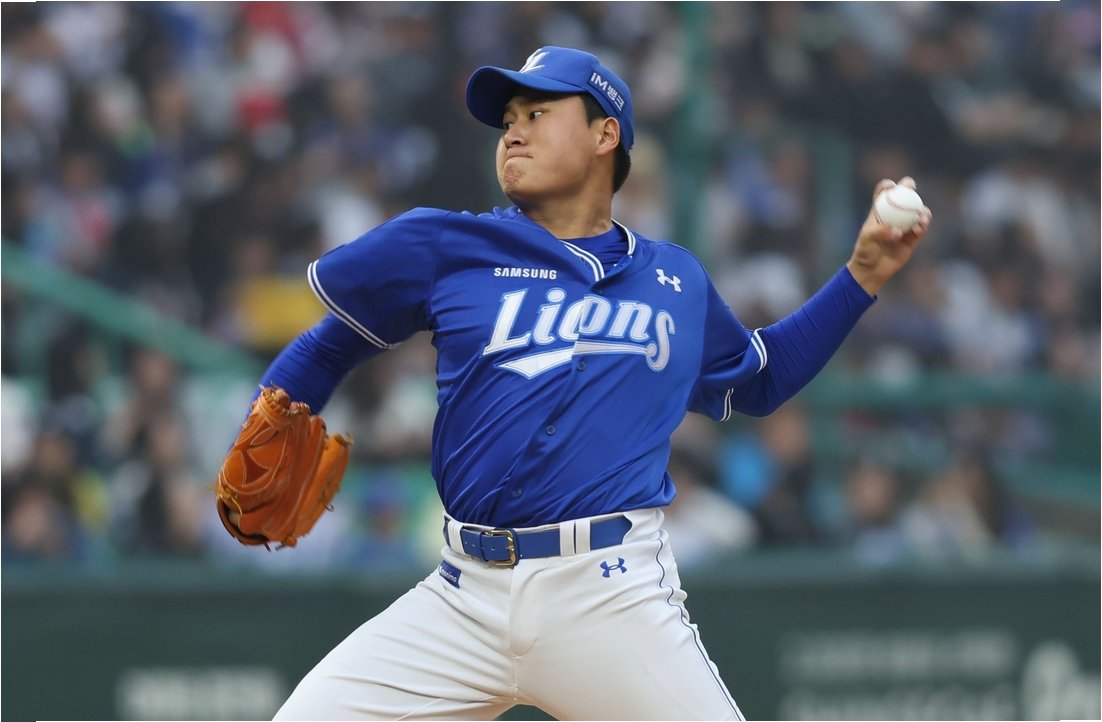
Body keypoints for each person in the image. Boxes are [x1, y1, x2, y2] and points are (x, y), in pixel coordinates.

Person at [224, 46, 931, 720]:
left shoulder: (675, 280)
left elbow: (761, 377)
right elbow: (329, 347)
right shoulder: (449, 245)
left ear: (604, 134)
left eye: (537, 113)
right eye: (508, 120)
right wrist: (266, 420)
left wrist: (862, 275)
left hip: (609, 594)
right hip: (461, 596)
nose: (514, 132)